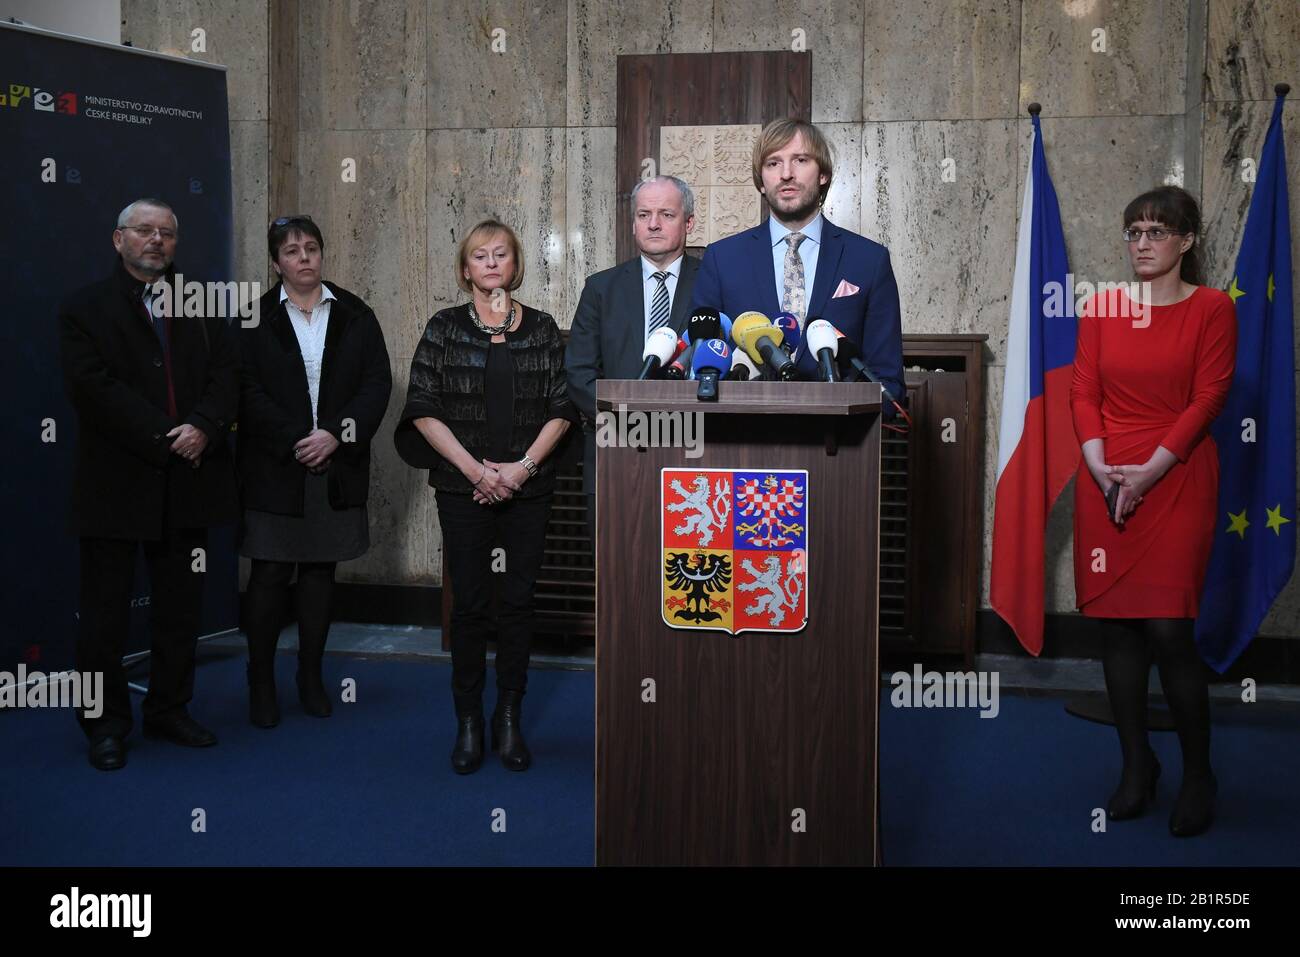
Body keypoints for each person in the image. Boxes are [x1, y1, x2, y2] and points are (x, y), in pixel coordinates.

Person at [1070, 185, 1237, 837]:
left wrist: (1149, 470)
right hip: (1106, 476)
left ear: (1186, 241)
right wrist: (1098, 464)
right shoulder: (1105, 307)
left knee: (1170, 629)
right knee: (1118, 629)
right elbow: (1084, 391)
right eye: (1133, 231)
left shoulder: (1212, 308)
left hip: (1175, 473)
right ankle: (1138, 766)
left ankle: (1200, 773)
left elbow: (1210, 396)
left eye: (1156, 232)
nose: (1142, 242)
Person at [59, 197, 239, 770]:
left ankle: (169, 708)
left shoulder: (204, 306)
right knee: (104, 616)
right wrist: (168, 435)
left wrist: (205, 428)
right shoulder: (84, 308)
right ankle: (105, 725)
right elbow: (94, 390)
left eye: (166, 232)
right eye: (144, 231)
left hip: (189, 481)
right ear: (119, 240)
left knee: (180, 609)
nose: (156, 240)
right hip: (116, 484)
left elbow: (228, 377)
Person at [395, 220, 577, 774]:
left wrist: (519, 471)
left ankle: (509, 718)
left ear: (515, 265)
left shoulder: (543, 329)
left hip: (529, 489)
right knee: (470, 607)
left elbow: (564, 408)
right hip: (462, 490)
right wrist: (477, 472)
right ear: (465, 269)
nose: (492, 263)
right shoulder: (445, 328)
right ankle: (469, 721)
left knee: (518, 606)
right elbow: (422, 407)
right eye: (480, 255)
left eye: (501, 254)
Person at [237, 215, 392, 728]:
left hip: (336, 463)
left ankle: (310, 677)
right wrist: (294, 439)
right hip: (275, 467)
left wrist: (335, 434)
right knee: (269, 574)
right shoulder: (252, 317)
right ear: (276, 261)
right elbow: (244, 389)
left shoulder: (355, 313)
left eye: (311, 248)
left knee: (320, 573)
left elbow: (376, 384)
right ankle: (260, 682)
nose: (303, 257)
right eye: (291, 251)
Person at [690, 118, 905, 403]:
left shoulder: (869, 260)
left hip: (840, 439)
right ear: (762, 182)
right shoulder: (722, 258)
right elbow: (701, 370)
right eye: (773, 163)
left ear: (823, 175)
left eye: (800, 160)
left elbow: (887, 381)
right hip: (742, 436)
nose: (786, 174)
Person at [566, 174, 701, 537]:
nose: (653, 224)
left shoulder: (712, 284)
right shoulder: (600, 288)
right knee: (616, 582)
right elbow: (579, 374)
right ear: (633, 224)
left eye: (666, 215)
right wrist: (630, 420)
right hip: (615, 451)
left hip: (695, 452)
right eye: (644, 215)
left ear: (688, 222)